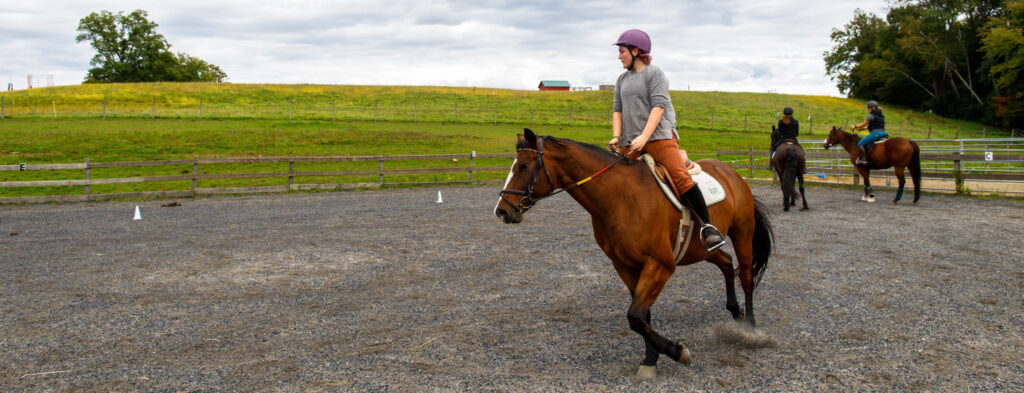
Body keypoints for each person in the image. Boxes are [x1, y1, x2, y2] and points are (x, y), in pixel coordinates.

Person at [608, 29, 725, 252]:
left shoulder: (655, 74)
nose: (619, 56)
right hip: (629, 142)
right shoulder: (621, 80)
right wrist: (616, 136)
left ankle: (708, 228)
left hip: (659, 138)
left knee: (680, 177)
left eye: (622, 51)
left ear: (635, 51)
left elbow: (658, 107)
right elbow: (617, 111)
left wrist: (644, 137)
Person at [850, 100, 888, 166]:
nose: (868, 110)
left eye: (868, 108)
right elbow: (875, 125)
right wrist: (863, 129)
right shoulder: (881, 114)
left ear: (870, 108)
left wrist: (855, 127)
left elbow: (864, 124)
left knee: (860, 143)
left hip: (876, 134)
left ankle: (863, 160)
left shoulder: (871, 115)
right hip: (884, 133)